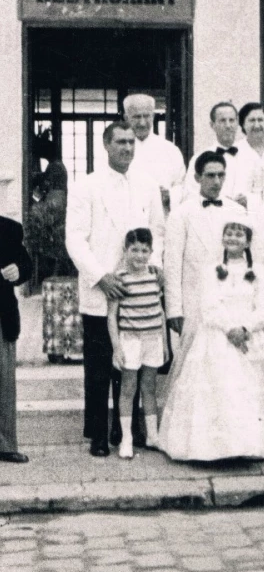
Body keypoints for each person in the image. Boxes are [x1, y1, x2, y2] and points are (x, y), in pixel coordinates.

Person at [66, 120, 165, 457]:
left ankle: (127, 428)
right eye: (120, 142)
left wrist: (153, 268)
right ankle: (96, 431)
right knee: (98, 365)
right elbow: (75, 238)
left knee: (133, 364)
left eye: (131, 142)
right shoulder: (86, 187)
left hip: (137, 290)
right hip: (100, 289)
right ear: (106, 145)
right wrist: (101, 277)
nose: (126, 148)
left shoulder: (148, 185)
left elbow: (158, 232)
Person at [159, 216, 264, 461]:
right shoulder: (211, 270)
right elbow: (208, 305)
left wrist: (246, 328)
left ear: (248, 241)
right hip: (217, 335)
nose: (233, 238)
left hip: (248, 336)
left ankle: (245, 446)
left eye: (239, 234)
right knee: (218, 387)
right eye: (229, 233)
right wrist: (230, 329)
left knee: (245, 390)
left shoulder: (257, 271)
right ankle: (215, 448)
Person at [164, 152, 245, 378]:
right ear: (198, 177)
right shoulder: (181, 214)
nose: (217, 182)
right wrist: (174, 310)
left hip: (231, 301)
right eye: (210, 176)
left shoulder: (237, 212)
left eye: (221, 175)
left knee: (231, 365)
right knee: (196, 368)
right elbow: (172, 265)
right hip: (195, 305)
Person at [106, 228, 165, 459]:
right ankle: (126, 438)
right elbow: (112, 315)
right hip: (130, 339)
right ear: (126, 250)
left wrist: (164, 341)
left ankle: (153, 435)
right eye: (134, 250)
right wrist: (117, 347)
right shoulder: (119, 278)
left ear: (151, 252)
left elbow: (158, 309)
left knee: (149, 387)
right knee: (128, 388)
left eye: (144, 250)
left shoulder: (154, 276)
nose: (139, 255)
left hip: (153, 339)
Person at [0, 215, 32, 463]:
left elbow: (25, 263)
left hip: (2, 318)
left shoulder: (9, 229)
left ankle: (5, 445)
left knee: (4, 383)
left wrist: (18, 270)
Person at [184, 102, 256, 209]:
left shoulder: (252, 157)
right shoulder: (198, 158)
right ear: (212, 125)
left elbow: (262, 192)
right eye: (222, 120)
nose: (228, 126)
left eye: (231, 120)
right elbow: (190, 193)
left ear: (237, 123)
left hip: (244, 218)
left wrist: (249, 200)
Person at [123, 93, 186, 213]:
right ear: (126, 118)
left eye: (146, 116)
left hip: (162, 216)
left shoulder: (170, 150)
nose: (142, 123)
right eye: (136, 117)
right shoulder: (118, 149)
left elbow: (182, 186)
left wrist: (169, 196)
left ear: (153, 116)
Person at [237, 102, 264, 202]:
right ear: (243, 124)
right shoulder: (235, 152)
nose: (256, 125)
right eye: (252, 120)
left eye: (260, 120)